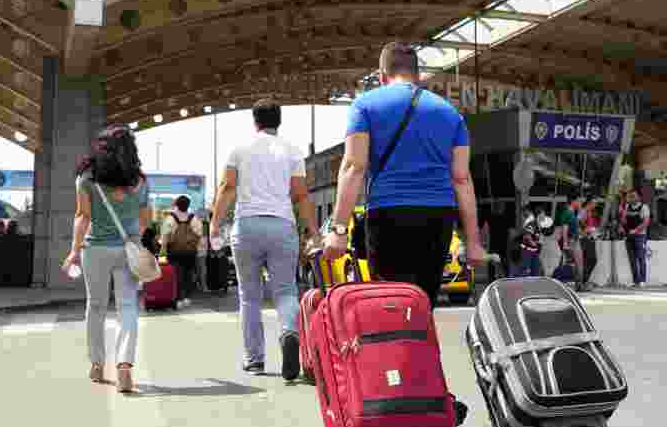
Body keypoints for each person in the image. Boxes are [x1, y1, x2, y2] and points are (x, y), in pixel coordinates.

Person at [322, 41, 486, 311]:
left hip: (388, 215)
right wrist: (473, 242)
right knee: (422, 306)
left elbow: (354, 167)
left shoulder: (365, 107)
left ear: (381, 74)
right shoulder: (451, 114)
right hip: (437, 218)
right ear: (418, 74)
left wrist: (339, 230)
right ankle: (420, 352)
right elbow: (461, 179)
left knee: (389, 308)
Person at [211, 98, 320, 380]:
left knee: (249, 296)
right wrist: (314, 232)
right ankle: (289, 332)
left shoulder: (239, 149)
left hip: (246, 226)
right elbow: (301, 195)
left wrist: (214, 224)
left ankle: (255, 360)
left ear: (255, 121)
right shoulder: (292, 151)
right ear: (278, 121)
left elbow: (226, 188)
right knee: (285, 290)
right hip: (282, 225)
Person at [61, 124, 151, 393]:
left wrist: (74, 251)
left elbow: (82, 217)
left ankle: (98, 365)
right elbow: (146, 220)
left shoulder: (87, 178)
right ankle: (124, 365)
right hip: (128, 249)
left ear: (102, 148)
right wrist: (135, 238)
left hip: (95, 250)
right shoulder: (140, 181)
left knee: (96, 306)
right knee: (127, 307)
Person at [159, 195, 202, 309]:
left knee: (176, 275)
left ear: (176, 205)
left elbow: (165, 237)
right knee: (188, 274)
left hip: (174, 251)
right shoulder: (194, 218)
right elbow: (199, 234)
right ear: (188, 206)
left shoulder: (170, 219)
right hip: (190, 252)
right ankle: (187, 297)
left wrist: (162, 253)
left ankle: (178, 299)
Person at [620, 189, 651, 288]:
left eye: (634, 196)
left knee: (641, 258)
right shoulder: (627, 207)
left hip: (640, 236)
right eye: (630, 196)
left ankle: (642, 280)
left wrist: (636, 231)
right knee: (632, 259)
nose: (632, 198)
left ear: (639, 197)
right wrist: (622, 219)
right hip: (629, 236)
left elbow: (646, 222)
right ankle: (635, 281)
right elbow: (624, 221)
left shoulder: (644, 207)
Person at [557, 195, 585, 291]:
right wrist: (565, 243)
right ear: (573, 201)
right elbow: (564, 228)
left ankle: (579, 285)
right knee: (577, 263)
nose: (580, 203)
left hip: (574, 240)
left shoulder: (572, 213)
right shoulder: (567, 213)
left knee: (578, 263)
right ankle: (578, 285)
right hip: (571, 241)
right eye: (579, 201)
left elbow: (574, 227)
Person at [579, 198, 600, 289]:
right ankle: (583, 281)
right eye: (594, 203)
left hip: (590, 238)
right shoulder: (583, 211)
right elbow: (579, 222)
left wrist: (593, 231)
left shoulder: (589, 212)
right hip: (585, 239)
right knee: (590, 260)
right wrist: (587, 230)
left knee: (591, 260)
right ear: (590, 203)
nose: (595, 205)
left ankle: (584, 281)